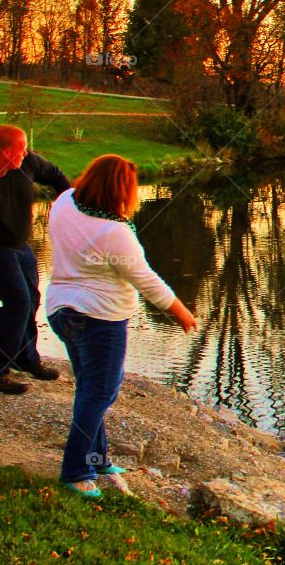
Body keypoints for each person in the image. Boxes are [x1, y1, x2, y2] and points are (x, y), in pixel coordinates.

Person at [45, 154, 196, 497]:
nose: (136, 196)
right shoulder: (113, 232)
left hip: (61, 311)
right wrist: (181, 311)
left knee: (88, 387)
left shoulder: (65, 202)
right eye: (132, 189)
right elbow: (145, 279)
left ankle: (97, 459)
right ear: (118, 191)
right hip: (99, 318)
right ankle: (75, 471)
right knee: (100, 392)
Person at [0, 124, 72, 394]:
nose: (26, 153)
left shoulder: (26, 163)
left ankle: (25, 357)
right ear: (6, 152)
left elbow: (54, 175)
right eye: (20, 149)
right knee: (17, 303)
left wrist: (70, 204)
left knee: (31, 300)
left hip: (20, 245)